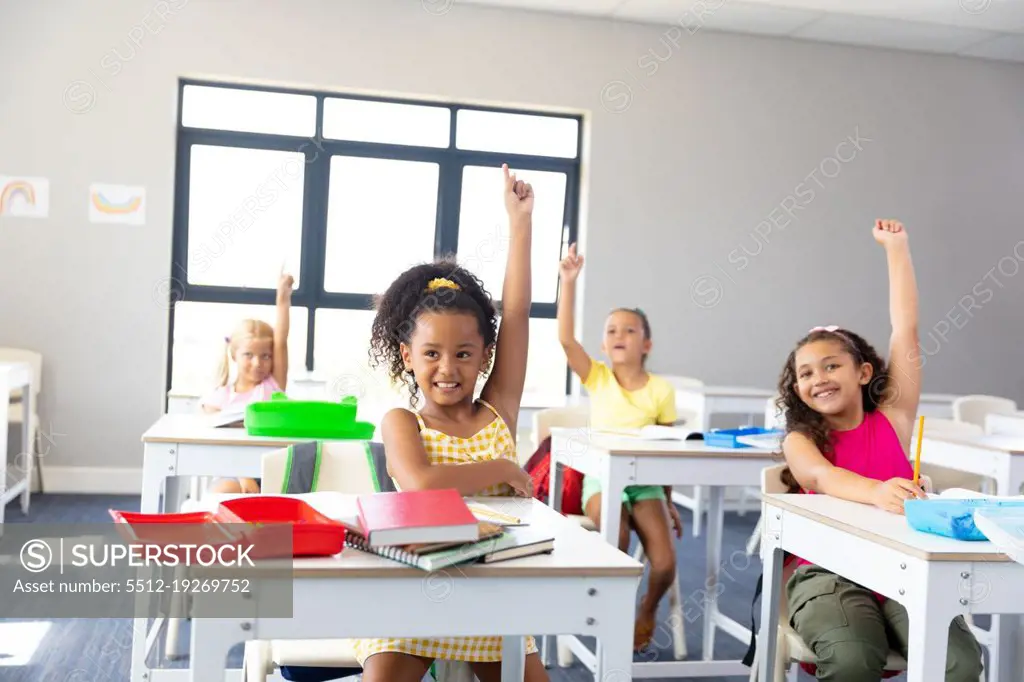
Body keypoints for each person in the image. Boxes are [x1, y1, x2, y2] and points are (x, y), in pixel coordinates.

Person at [353, 164, 548, 682]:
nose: (448, 368)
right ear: (407, 356)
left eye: (464, 353)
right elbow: (419, 481)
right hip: (414, 588)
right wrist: (501, 466)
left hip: (493, 589)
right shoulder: (401, 422)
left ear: (486, 355)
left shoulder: (497, 408)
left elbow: (519, 313)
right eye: (432, 353)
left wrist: (520, 223)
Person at [778, 219, 983, 681]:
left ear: (864, 372)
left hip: (905, 568)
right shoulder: (801, 440)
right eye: (806, 374)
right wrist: (875, 492)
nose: (819, 378)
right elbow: (822, 478)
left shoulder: (892, 418)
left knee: (961, 664)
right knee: (852, 658)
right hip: (828, 570)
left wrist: (896, 249)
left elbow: (905, 328)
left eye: (832, 365)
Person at [556, 241, 683, 652]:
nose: (619, 335)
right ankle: (607, 614)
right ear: (604, 345)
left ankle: (645, 610)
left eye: (630, 330)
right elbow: (564, 338)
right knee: (620, 537)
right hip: (600, 481)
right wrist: (569, 280)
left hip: (645, 483)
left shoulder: (662, 391)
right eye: (611, 330)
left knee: (664, 562)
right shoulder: (597, 378)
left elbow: (666, 452)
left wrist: (668, 501)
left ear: (646, 344)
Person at [201, 269, 293, 494]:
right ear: (234, 355)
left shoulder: (272, 387)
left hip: (271, 471)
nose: (257, 363)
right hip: (232, 471)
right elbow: (213, 439)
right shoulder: (221, 396)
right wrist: (243, 476)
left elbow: (281, 339)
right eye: (248, 355)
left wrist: (283, 298)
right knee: (222, 492)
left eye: (266, 356)